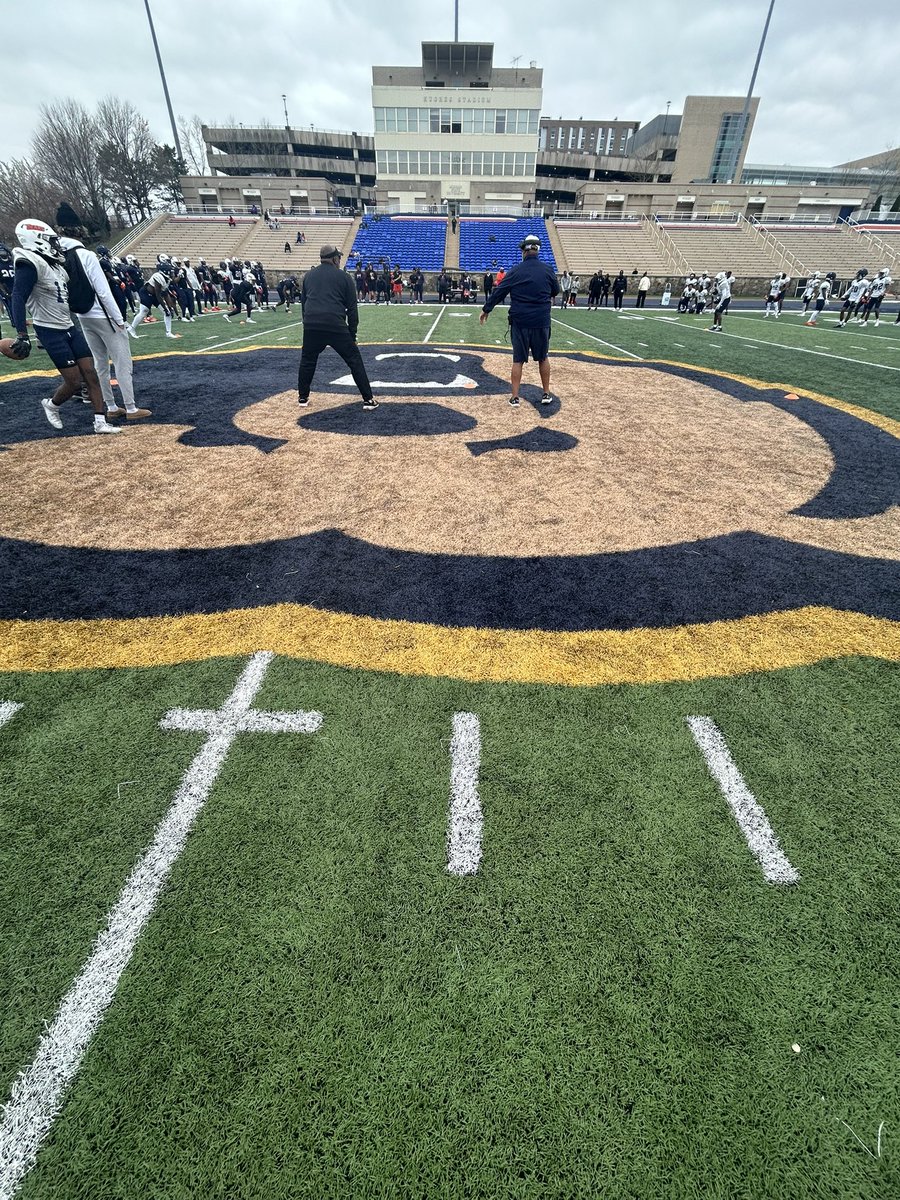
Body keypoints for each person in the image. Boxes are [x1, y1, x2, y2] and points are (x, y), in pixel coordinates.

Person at [9, 218, 122, 434]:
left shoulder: (57, 268)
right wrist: (22, 334)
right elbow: (18, 295)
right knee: (74, 381)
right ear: (38, 240)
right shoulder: (30, 262)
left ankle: (100, 421)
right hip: (49, 329)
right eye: (52, 241)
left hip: (68, 326)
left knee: (91, 374)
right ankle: (52, 404)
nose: (56, 246)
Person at [60, 237, 151, 422]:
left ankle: (110, 406)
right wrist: (119, 319)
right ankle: (131, 407)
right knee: (122, 362)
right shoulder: (86, 256)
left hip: (83, 316)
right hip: (103, 315)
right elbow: (103, 291)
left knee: (99, 364)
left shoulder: (63, 259)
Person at [478, 233, 559, 407]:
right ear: (538, 250)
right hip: (541, 320)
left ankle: (515, 397)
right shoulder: (548, 269)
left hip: (520, 321)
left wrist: (486, 309)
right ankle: (545, 393)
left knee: (518, 360)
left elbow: (499, 292)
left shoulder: (515, 271)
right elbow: (556, 291)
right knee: (543, 357)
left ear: (524, 251)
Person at [297, 244, 377, 411]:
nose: (340, 260)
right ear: (334, 259)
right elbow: (352, 309)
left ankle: (303, 397)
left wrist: (307, 324)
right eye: (339, 258)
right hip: (335, 324)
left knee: (307, 360)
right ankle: (368, 399)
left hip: (312, 325)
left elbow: (304, 304)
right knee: (354, 360)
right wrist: (352, 334)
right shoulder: (344, 277)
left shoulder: (309, 276)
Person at [129, 257, 180, 339]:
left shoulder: (166, 279)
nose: (172, 273)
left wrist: (169, 307)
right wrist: (165, 308)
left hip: (155, 295)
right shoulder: (158, 276)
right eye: (170, 271)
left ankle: (168, 333)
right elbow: (158, 294)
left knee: (168, 313)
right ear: (165, 271)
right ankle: (131, 328)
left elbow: (165, 293)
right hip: (146, 293)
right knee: (143, 312)